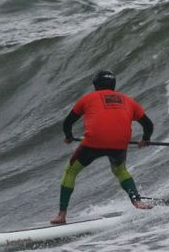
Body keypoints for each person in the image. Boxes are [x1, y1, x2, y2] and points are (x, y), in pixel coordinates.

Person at [50, 70, 154, 224]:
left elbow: (68, 122)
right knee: (120, 170)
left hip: (93, 142)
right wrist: (145, 139)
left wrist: (68, 136)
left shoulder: (88, 98)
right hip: (120, 143)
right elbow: (148, 124)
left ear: (95, 85)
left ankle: (61, 215)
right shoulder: (128, 100)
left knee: (71, 170)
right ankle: (137, 202)